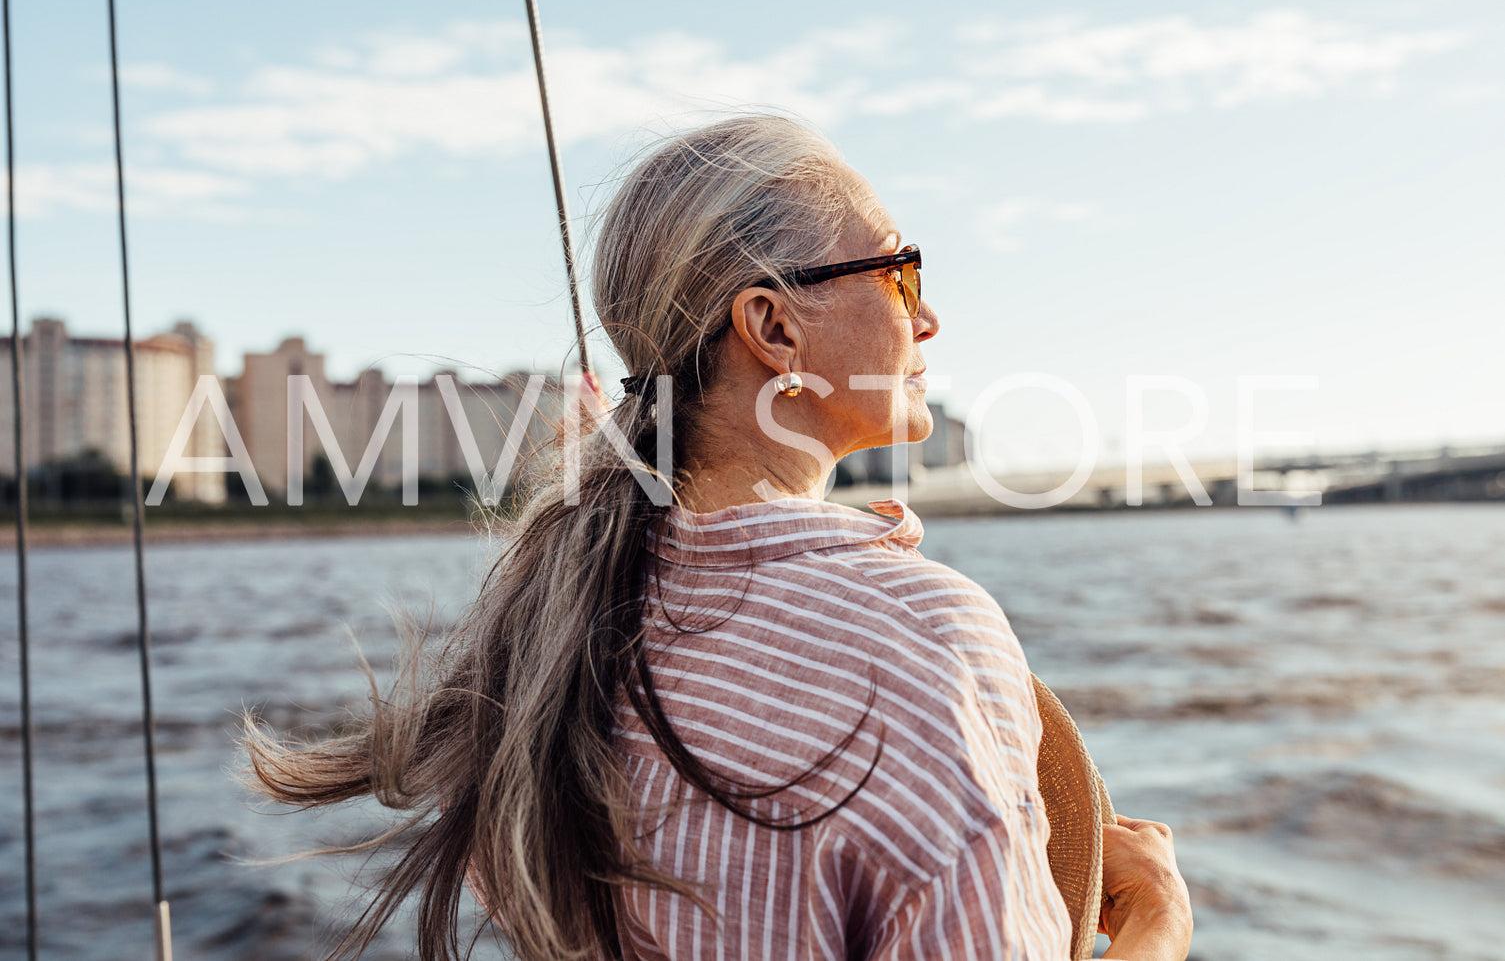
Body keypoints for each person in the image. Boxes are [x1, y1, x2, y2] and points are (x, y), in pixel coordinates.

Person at [241, 113, 1193, 961]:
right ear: (773, 327)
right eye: (900, 273)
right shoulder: (925, 633)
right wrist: (1155, 925)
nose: (928, 316)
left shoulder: (558, 636)